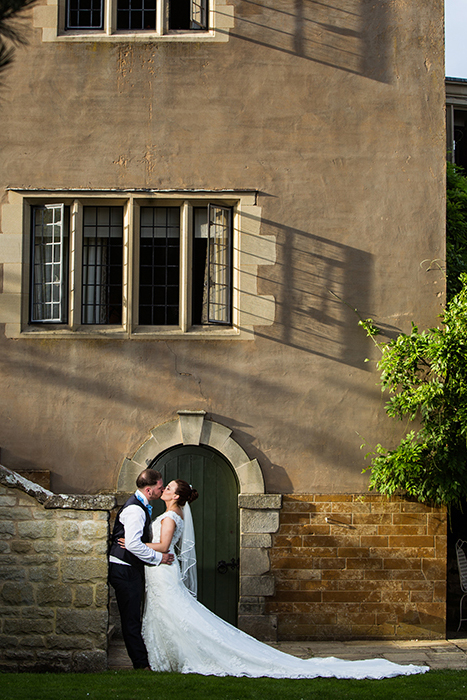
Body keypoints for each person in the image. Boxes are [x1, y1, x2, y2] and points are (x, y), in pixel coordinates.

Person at [123, 479, 431, 680]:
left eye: (168, 488)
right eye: (163, 487)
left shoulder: (170, 516)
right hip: (160, 571)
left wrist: (133, 544)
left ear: (176, 496)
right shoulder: (170, 514)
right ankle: (164, 658)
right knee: (168, 614)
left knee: (177, 614)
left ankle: (177, 657)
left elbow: (164, 547)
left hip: (162, 569)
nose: (163, 489)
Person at [108, 468, 174, 670]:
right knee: (131, 619)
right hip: (124, 569)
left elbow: (132, 543)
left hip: (129, 568)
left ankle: (141, 661)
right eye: (159, 487)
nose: (162, 490)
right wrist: (159, 558)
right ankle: (141, 664)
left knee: (133, 617)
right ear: (148, 490)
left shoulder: (141, 505)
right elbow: (133, 544)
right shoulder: (135, 510)